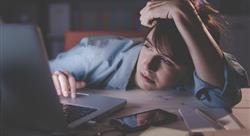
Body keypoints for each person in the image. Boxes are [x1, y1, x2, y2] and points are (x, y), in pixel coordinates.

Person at [49, 0, 249, 109]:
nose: (148, 65)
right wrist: (53, 78)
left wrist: (185, 13)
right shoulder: (95, 56)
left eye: (167, 61)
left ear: (193, 65)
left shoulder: (203, 68)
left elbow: (221, 97)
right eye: (147, 46)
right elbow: (29, 73)